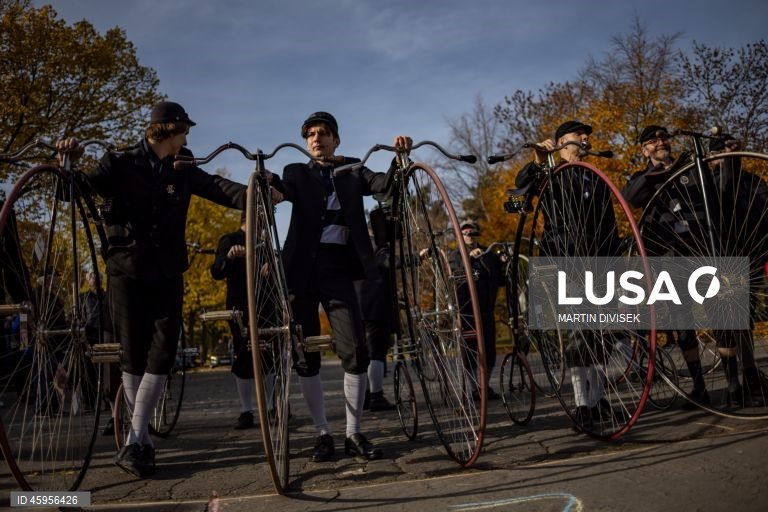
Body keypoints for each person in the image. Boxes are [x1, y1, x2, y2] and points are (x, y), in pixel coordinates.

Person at [56, 101, 248, 478]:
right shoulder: (119, 161)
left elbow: (219, 188)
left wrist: (260, 189)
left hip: (167, 273)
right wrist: (68, 162)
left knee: (162, 354)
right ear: (169, 130)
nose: (187, 138)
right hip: (126, 271)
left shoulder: (185, 166)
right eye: (184, 131)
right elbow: (74, 192)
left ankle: (133, 439)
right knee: (133, 355)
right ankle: (139, 442)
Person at [271, 111, 410, 462]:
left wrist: (400, 160)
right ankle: (322, 433)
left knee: (356, 351)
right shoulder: (295, 171)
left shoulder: (352, 169)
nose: (316, 139)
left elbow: (383, 186)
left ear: (336, 139)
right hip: (301, 270)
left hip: (338, 269)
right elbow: (280, 189)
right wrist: (266, 183)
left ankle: (353, 433)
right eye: (311, 134)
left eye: (323, 133)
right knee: (306, 356)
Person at [518, 120, 621, 430]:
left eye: (587, 134)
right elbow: (517, 195)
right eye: (580, 134)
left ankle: (599, 398)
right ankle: (582, 403)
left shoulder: (596, 177)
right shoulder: (550, 174)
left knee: (602, 334)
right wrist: (537, 162)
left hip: (599, 262)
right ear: (562, 141)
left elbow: (610, 227)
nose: (586, 138)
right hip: (565, 259)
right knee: (579, 332)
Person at [622, 125, 711, 408]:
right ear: (644, 149)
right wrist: (655, 172)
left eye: (663, 138)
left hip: (701, 251)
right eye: (652, 141)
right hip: (669, 257)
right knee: (683, 321)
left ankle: (738, 377)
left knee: (721, 313)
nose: (660, 142)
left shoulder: (691, 167)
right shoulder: (641, 178)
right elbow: (630, 199)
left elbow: (711, 191)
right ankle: (699, 386)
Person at [210, 213, 258, 429]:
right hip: (240, 305)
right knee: (244, 351)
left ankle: (272, 406)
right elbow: (216, 271)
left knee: (269, 350)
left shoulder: (265, 243)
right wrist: (229, 257)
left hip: (265, 305)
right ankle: (246, 410)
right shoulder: (229, 239)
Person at [449, 219, 504, 401]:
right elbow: (456, 278)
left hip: (487, 309)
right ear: (460, 236)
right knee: (471, 350)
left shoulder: (489, 255)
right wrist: (470, 258)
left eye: (473, 233)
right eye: (465, 233)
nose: (470, 236)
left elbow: (502, 279)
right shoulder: (455, 256)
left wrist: (504, 262)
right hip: (467, 312)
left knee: (489, 350)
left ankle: (484, 385)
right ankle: (474, 388)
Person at [355, 207, 396, 412]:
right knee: (376, 353)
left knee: (362, 353)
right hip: (375, 306)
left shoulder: (357, 245)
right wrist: (419, 258)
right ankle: (376, 395)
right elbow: (391, 262)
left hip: (358, 305)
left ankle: (363, 397)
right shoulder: (379, 248)